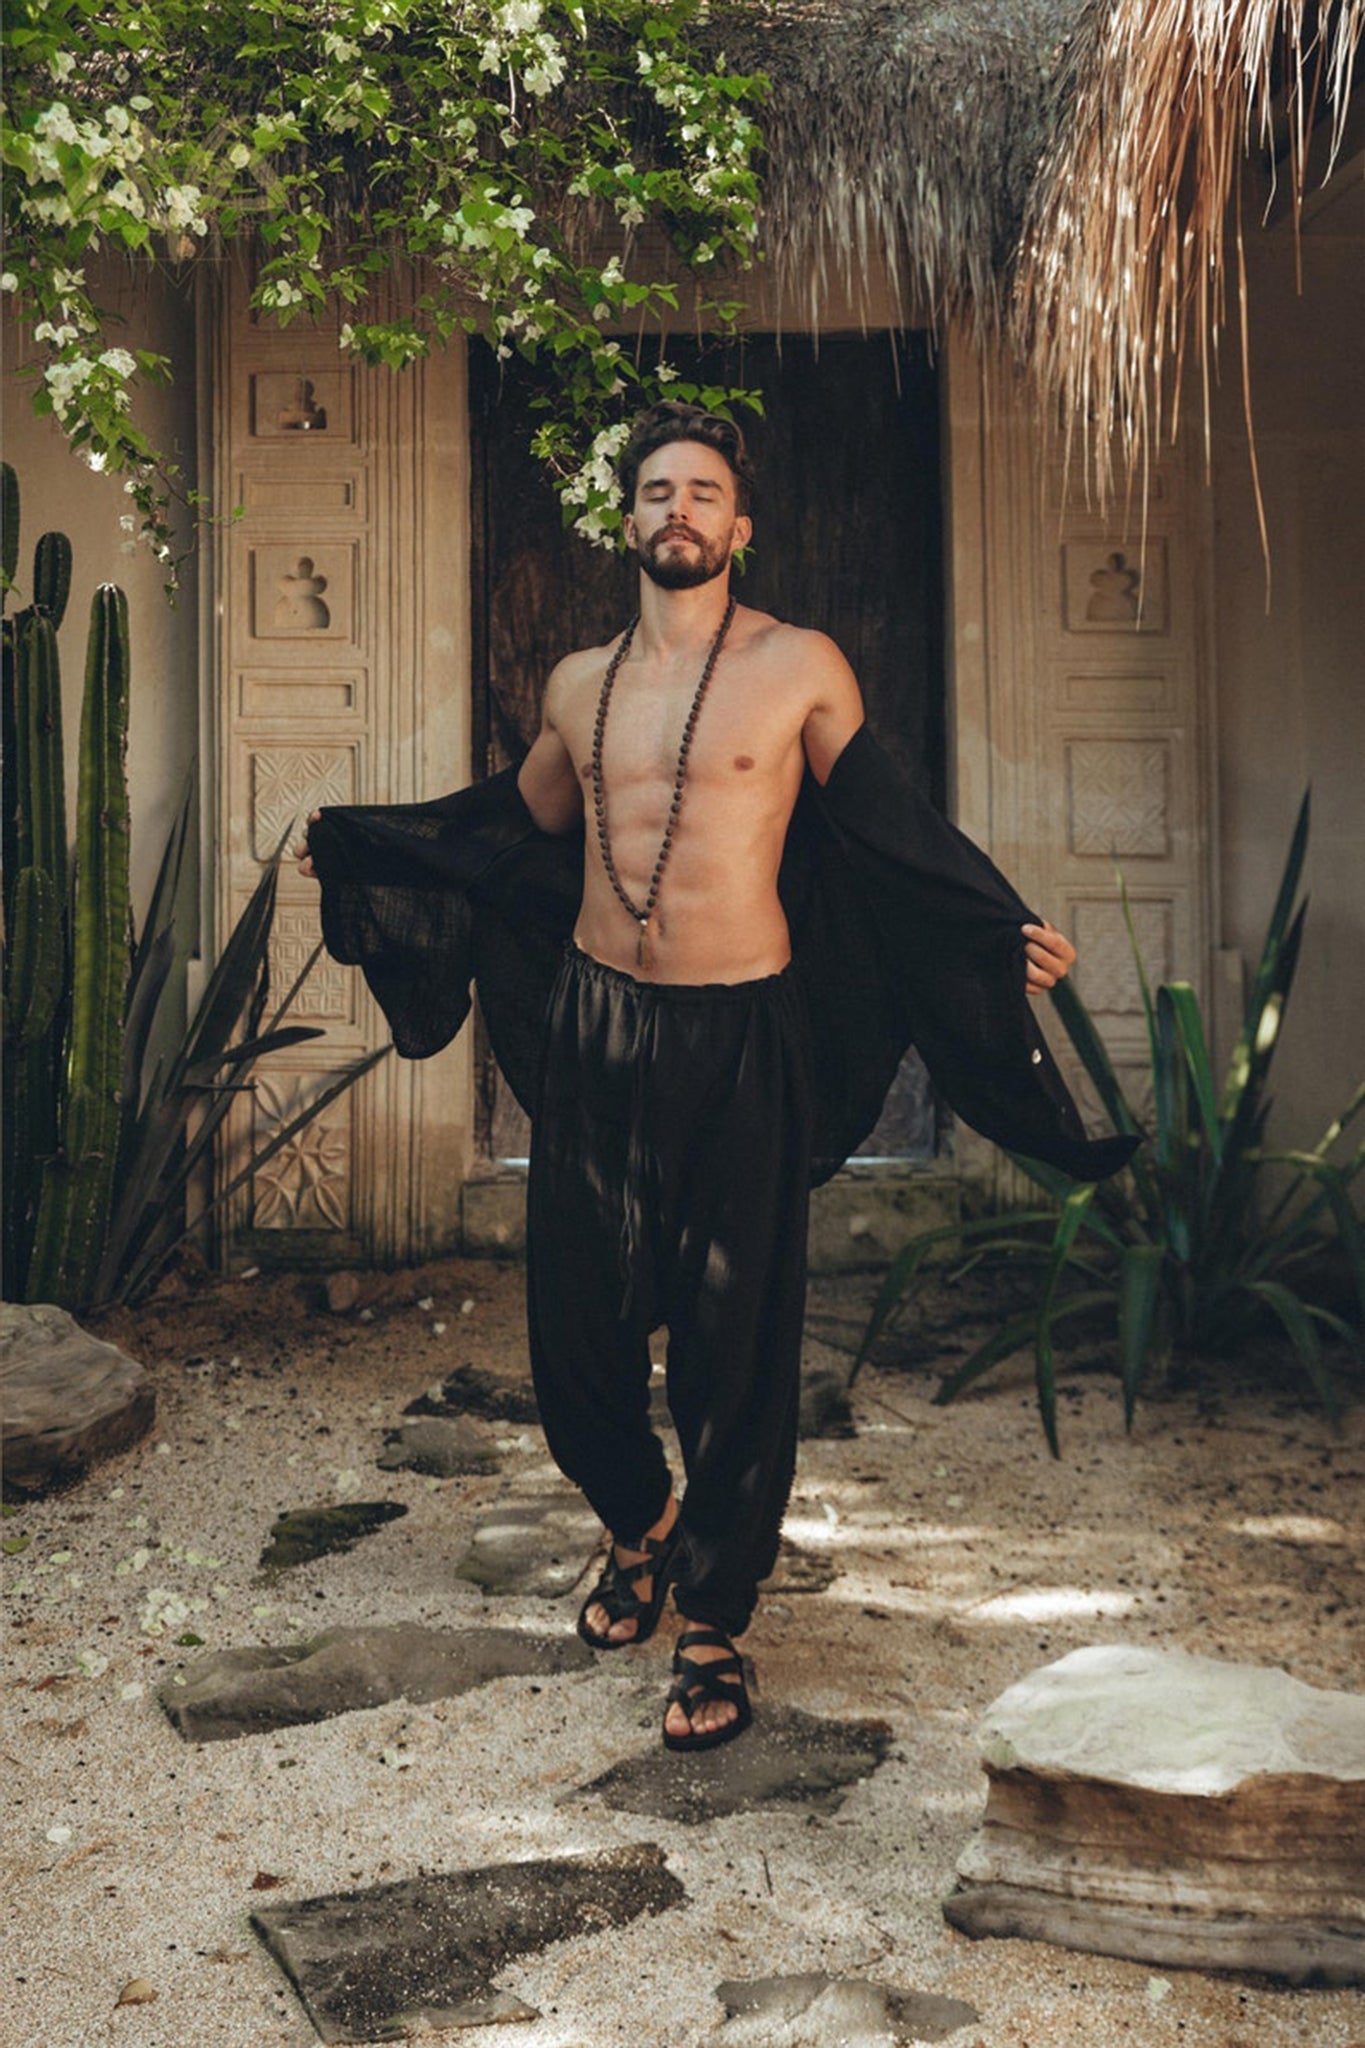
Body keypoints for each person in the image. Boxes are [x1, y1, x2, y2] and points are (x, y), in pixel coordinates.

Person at [301, 401, 1131, 1753]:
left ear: (738, 526)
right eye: (655, 491)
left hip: (742, 1032)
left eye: (701, 492)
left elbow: (890, 832)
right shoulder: (578, 682)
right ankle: (643, 1524)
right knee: (575, 1334)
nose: (677, 509)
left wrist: (993, 932)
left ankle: (715, 1618)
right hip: (596, 1028)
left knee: (734, 1342)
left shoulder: (800, 666)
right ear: (625, 521)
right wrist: (366, 846)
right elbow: (510, 824)